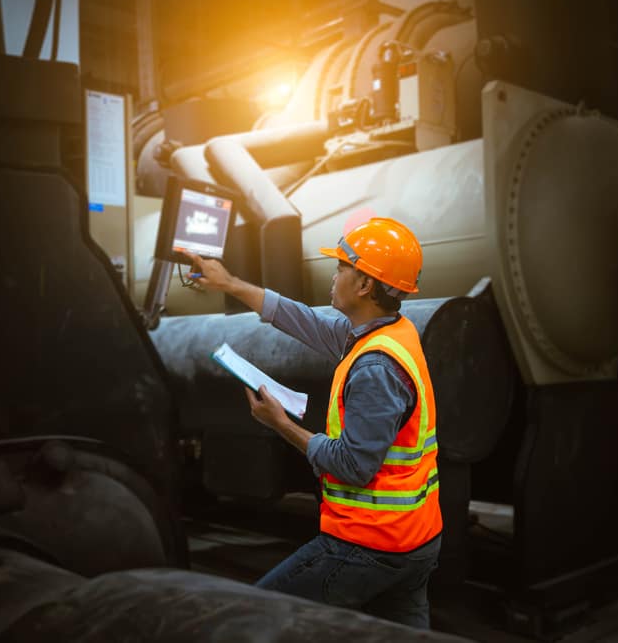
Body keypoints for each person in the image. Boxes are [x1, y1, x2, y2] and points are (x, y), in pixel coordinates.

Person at [187, 216, 441, 629]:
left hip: (369, 545)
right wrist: (230, 284)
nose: (335, 273)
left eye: (343, 267)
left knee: (253, 617)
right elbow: (301, 319)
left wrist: (279, 422)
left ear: (364, 286)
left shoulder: (375, 365)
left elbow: (354, 466)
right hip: (415, 539)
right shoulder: (389, 331)